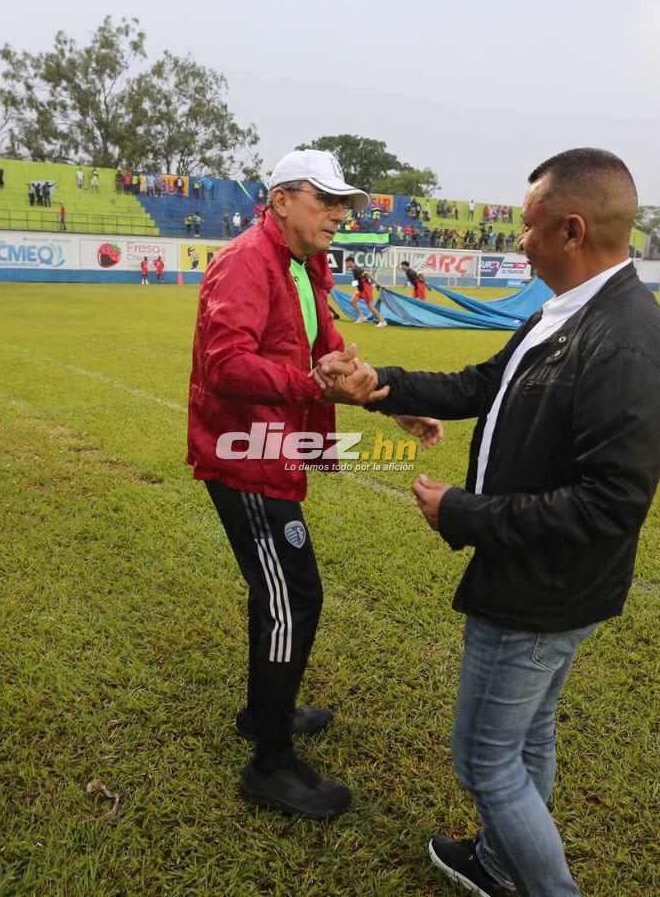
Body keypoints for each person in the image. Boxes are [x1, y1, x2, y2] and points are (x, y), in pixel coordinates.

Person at [314, 147, 660, 896]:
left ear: (572, 230)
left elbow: (610, 505)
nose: (519, 239)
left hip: (542, 588)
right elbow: (485, 383)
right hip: (540, 578)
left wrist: (464, 512)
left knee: (484, 759)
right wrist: (377, 383)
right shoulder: (566, 312)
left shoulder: (625, 342)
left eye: (529, 225)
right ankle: (499, 862)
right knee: (529, 737)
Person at [188, 149, 422, 821]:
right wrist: (307, 385)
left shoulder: (301, 267)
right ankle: (269, 762)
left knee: (288, 593)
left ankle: (268, 712)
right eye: (325, 199)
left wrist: (389, 400)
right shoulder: (246, 262)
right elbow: (225, 362)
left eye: (343, 202)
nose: (339, 214)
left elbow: (330, 355)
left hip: (273, 453)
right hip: (244, 457)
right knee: (293, 596)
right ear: (282, 199)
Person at [344, 256, 385, 327]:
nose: (346, 265)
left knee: (370, 306)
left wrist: (376, 283)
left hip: (366, 289)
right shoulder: (354, 269)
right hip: (361, 289)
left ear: (350, 262)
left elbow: (367, 273)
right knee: (352, 301)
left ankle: (382, 321)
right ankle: (362, 317)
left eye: (346, 263)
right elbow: (360, 278)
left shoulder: (356, 269)